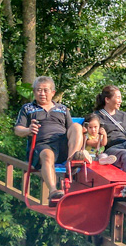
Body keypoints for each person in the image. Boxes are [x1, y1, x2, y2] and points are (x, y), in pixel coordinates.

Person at [13, 76, 83, 204]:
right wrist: (28, 130)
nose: (42, 93)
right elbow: (18, 130)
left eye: (46, 90)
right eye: (39, 90)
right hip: (41, 146)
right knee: (47, 154)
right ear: (34, 92)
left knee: (77, 127)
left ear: (53, 92)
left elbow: (71, 130)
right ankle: (53, 191)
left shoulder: (62, 109)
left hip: (62, 145)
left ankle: (70, 162)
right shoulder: (27, 108)